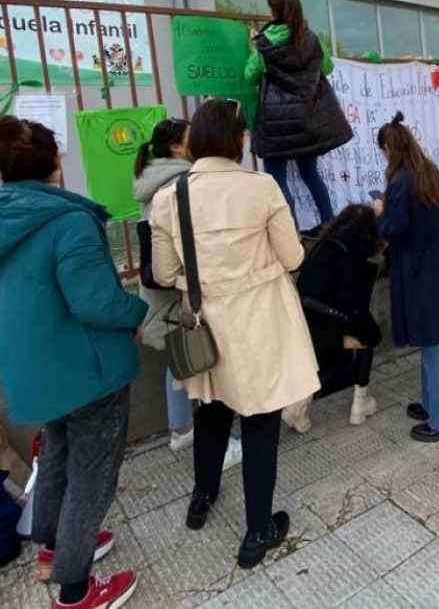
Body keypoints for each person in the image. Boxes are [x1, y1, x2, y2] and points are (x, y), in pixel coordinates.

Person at [0, 116, 145, 609]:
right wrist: (136, 312)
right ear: (54, 165)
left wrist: (15, 350)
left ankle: (51, 547)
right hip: (88, 371)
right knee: (92, 472)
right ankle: (75, 588)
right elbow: (96, 302)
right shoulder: (69, 222)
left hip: (30, 373)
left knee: (58, 453)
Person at [149, 98, 320, 568]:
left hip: (205, 322)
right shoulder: (261, 187)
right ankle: (257, 531)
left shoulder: (170, 197)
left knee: (211, 410)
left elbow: (163, 273)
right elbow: (293, 256)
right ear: (238, 140)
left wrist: (201, 281)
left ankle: (201, 498)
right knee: (261, 421)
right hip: (260, 321)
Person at [132, 118, 242, 467]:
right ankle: (213, 442)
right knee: (202, 358)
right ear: (178, 147)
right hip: (181, 288)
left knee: (180, 357)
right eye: (193, 138)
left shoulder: (152, 181)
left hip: (160, 291)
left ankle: (181, 429)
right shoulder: (180, 183)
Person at [372, 112, 439, 443]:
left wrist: (380, 214)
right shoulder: (428, 170)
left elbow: (395, 229)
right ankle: (432, 405)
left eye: (383, 150)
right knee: (431, 339)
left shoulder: (401, 181)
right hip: (434, 264)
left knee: (432, 345)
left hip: (417, 269)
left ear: (388, 148)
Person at [245, 0, 353, 235]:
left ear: (272, 11)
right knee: (310, 174)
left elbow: (249, 76)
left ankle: (291, 234)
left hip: (276, 123)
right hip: (308, 120)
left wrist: (253, 48)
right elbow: (327, 68)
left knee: (278, 180)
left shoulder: (263, 43)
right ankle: (329, 225)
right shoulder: (311, 38)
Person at [297, 204, 384, 425]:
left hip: (304, 315)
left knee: (321, 352)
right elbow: (352, 301)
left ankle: (297, 407)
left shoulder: (323, 243)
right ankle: (360, 403)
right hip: (329, 318)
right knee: (369, 336)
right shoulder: (355, 250)